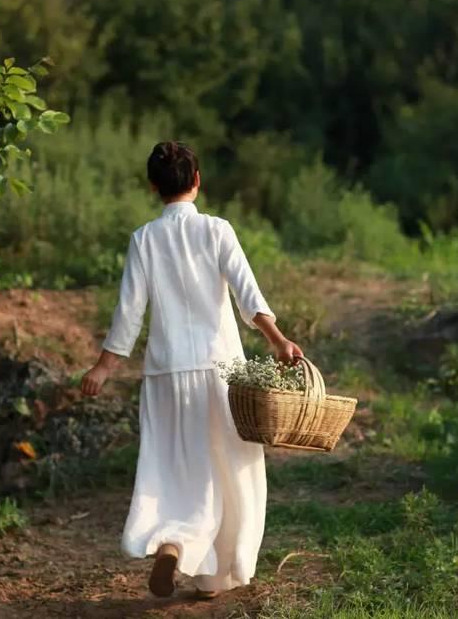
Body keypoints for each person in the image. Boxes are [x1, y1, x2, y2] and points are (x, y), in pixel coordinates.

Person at [81, 141, 303, 600]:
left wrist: (104, 367)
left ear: (152, 188)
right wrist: (279, 342)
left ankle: (172, 543)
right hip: (220, 372)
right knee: (228, 469)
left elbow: (129, 313)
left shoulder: (144, 238)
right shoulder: (217, 231)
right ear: (197, 181)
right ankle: (216, 575)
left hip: (164, 376)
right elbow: (248, 294)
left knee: (170, 467)